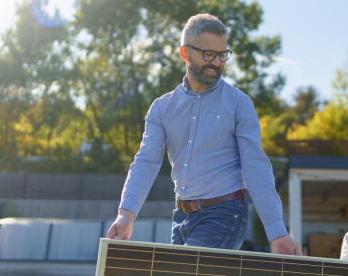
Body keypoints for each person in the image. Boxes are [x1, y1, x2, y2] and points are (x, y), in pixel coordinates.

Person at [106, 13, 301, 255]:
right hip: (181, 218)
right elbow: (146, 162)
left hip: (225, 214)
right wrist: (125, 215)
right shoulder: (161, 108)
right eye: (208, 54)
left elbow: (256, 167)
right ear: (185, 53)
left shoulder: (239, 103)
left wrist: (277, 231)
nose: (217, 62)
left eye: (222, 55)